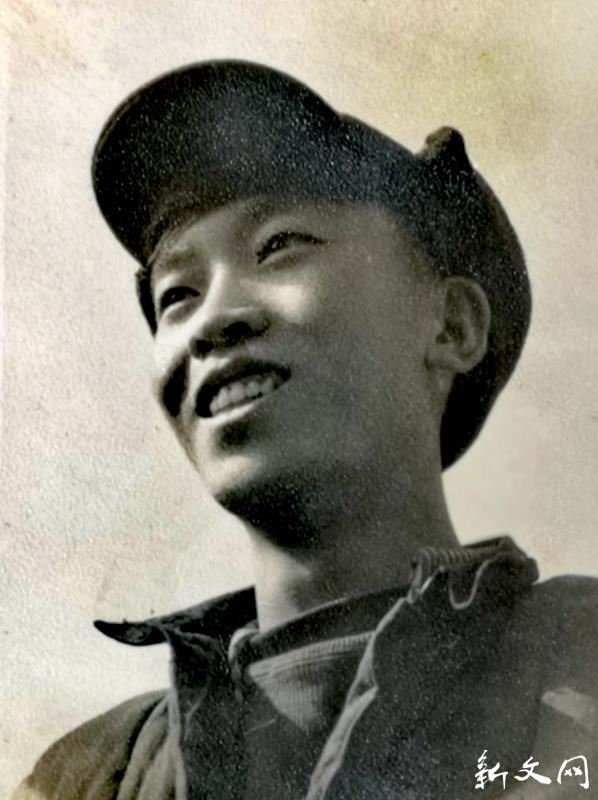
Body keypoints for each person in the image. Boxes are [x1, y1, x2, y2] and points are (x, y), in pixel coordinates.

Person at [15, 60, 598, 800]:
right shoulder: (92, 773)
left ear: (451, 325)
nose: (212, 319)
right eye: (177, 295)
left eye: (279, 245)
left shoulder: (579, 664)